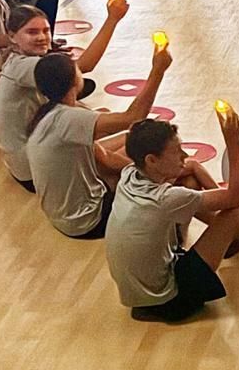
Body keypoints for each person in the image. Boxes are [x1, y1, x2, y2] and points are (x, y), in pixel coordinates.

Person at [107, 112, 239, 322]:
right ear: (152, 160)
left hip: (140, 298)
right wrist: (232, 141)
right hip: (170, 302)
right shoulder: (165, 199)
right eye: (177, 151)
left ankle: (231, 239)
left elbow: (189, 169)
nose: (184, 155)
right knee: (236, 216)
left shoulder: (129, 174)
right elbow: (237, 195)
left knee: (189, 184)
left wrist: (194, 168)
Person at [25, 43, 171, 239]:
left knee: (133, 141)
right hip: (88, 220)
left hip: (63, 216)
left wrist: (143, 170)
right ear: (73, 80)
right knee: (176, 181)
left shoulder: (49, 113)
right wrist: (158, 70)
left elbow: (106, 157)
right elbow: (134, 117)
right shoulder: (68, 119)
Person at [0, 0, 122, 190]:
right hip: (34, 171)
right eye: (32, 32)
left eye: (45, 31)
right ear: (12, 36)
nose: (41, 37)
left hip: (23, 162)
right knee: (126, 142)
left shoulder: (18, 60)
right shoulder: (24, 67)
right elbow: (84, 66)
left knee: (103, 120)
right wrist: (112, 19)